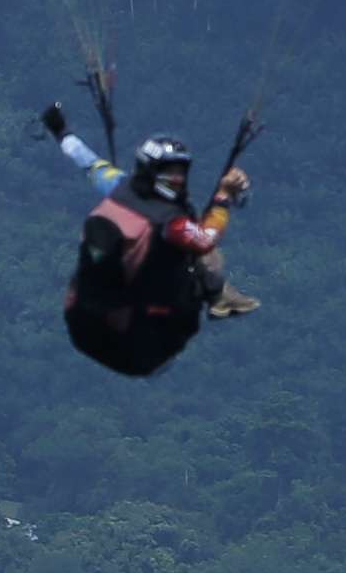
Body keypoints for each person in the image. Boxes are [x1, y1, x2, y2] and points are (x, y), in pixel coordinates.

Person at [45, 83, 252, 375]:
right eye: (171, 173)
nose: (178, 179)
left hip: (82, 323)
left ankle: (215, 293)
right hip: (135, 341)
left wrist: (61, 132)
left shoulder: (119, 186)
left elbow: (88, 163)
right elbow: (206, 239)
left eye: (181, 172)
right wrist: (222, 199)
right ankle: (218, 296)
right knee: (206, 258)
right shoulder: (172, 223)